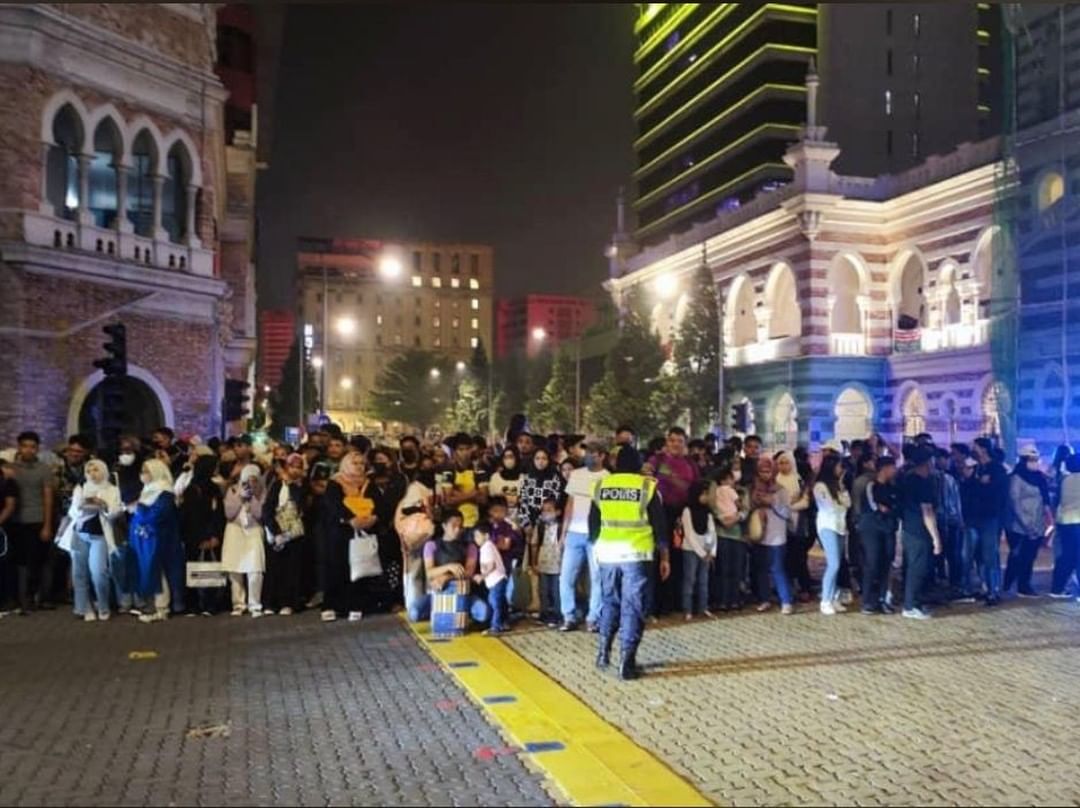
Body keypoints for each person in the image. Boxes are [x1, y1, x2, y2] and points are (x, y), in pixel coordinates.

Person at [589, 447, 669, 681]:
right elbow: (660, 527)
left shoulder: (601, 486)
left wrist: (597, 549)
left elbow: (593, 526)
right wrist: (664, 557)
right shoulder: (647, 487)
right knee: (633, 607)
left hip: (607, 555)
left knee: (609, 602)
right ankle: (627, 662)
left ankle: (603, 654)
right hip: (636, 555)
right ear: (638, 464)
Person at [57, 459, 123, 622]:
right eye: (89, 470)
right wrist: (81, 506)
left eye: (96, 470)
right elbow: (72, 512)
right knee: (79, 573)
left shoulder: (112, 489)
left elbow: (115, 512)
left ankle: (103, 605)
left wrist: (104, 505)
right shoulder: (81, 488)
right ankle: (84, 607)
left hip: (100, 536)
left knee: (99, 573)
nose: (93, 474)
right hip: (79, 534)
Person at [645, 427, 698, 617]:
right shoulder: (656, 461)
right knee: (660, 556)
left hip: (682, 516)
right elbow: (645, 477)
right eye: (672, 440)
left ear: (685, 443)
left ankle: (676, 602)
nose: (676, 444)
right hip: (660, 513)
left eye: (680, 441)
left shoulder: (690, 464)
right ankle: (657, 605)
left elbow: (695, 488)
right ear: (667, 442)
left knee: (680, 558)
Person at [321, 451, 378, 623]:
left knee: (359, 568)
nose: (359, 467)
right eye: (355, 463)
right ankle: (331, 606)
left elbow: (379, 504)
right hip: (340, 532)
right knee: (337, 568)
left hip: (363, 531)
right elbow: (333, 504)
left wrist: (373, 518)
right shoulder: (335, 483)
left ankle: (356, 605)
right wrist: (350, 519)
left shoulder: (368, 484)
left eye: (362, 463)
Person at [558, 440, 609, 632]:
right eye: (587, 452)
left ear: (602, 456)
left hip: (597, 535)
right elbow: (570, 505)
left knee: (597, 578)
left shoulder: (608, 478)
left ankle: (593, 618)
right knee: (566, 577)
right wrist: (563, 534)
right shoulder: (577, 475)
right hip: (574, 534)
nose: (588, 456)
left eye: (593, 453)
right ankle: (568, 616)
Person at [409, 509, 490, 626]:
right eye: (454, 526)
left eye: (460, 526)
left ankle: (462, 613)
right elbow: (429, 573)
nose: (458, 530)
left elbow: (468, 573)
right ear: (444, 526)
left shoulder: (470, 547)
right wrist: (449, 567)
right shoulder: (431, 545)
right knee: (414, 613)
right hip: (438, 594)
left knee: (484, 613)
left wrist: (447, 577)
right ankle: (441, 611)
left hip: (463, 595)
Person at [128, 459, 185, 622]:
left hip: (159, 538)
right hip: (145, 539)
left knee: (159, 572)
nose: (143, 475)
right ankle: (152, 604)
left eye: (146, 471)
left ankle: (162, 607)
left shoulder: (164, 492)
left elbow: (159, 514)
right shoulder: (148, 490)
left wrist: (139, 509)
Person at [9, 431, 56, 613]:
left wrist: (47, 524)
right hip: (15, 520)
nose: (29, 450)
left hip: (36, 519)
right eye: (25, 446)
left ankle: (32, 597)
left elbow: (48, 497)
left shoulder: (44, 470)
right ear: (19, 447)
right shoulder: (12, 469)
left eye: (33, 447)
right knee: (17, 562)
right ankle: (16, 598)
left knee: (35, 562)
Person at [898, 446, 944, 619]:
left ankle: (913, 601)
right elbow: (927, 512)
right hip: (920, 531)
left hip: (909, 528)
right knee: (917, 568)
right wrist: (936, 538)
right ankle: (911, 605)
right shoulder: (922, 483)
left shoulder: (907, 479)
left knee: (911, 566)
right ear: (927, 463)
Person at [179, 453, 226, 616]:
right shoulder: (199, 490)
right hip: (199, 536)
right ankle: (203, 603)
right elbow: (196, 516)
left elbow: (217, 515)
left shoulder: (203, 488)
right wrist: (209, 536)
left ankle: (201, 604)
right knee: (200, 567)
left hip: (199, 536)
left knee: (203, 566)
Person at [1003, 445, 1052, 598]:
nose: (1035, 463)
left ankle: (1024, 584)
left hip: (1036, 523)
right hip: (1019, 525)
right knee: (1017, 556)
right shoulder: (1016, 478)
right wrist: (1026, 524)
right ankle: (1009, 582)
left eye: (1036, 459)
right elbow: (1015, 502)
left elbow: (1045, 500)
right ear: (1024, 460)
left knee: (1030, 556)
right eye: (1032, 460)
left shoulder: (1039, 477)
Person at [262, 454, 308, 615]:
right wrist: (274, 530)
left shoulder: (302, 486)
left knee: (292, 570)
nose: (295, 470)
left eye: (299, 466)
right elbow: (267, 508)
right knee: (274, 568)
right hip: (277, 532)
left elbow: (301, 505)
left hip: (294, 533)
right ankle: (270, 603)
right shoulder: (276, 485)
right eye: (292, 466)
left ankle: (288, 602)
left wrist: (293, 484)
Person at [750, 456, 794, 615]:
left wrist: (773, 503)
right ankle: (764, 598)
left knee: (777, 568)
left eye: (768, 471)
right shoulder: (754, 488)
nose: (765, 474)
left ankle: (786, 600)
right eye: (762, 471)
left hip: (776, 534)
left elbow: (787, 512)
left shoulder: (781, 490)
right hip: (759, 533)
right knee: (761, 569)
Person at [222, 464, 268, 618]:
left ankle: (255, 604)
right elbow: (229, 514)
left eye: (254, 479)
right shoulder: (233, 490)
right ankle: (238, 604)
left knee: (255, 569)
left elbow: (260, 514)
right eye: (248, 479)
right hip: (235, 531)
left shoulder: (262, 492)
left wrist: (254, 497)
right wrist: (239, 498)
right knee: (235, 569)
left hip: (254, 530)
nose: (250, 483)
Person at [969, 437, 1008, 606]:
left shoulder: (997, 469)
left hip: (990, 517)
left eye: (975, 447)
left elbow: (1000, 494)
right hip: (976, 516)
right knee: (978, 554)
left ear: (984, 449)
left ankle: (994, 590)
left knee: (990, 554)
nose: (973, 450)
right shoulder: (977, 468)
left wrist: (983, 485)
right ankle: (985, 587)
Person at [859, 456, 900, 614]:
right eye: (892, 467)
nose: (895, 470)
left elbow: (895, 506)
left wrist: (890, 509)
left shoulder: (893, 487)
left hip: (888, 529)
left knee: (886, 562)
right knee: (872, 562)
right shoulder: (871, 486)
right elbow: (876, 506)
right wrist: (887, 509)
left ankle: (883, 598)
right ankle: (868, 600)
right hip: (872, 529)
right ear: (884, 468)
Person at [814, 453, 851, 616]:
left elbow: (847, 504)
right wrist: (841, 503)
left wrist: (841, 495)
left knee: (838, 563)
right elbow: (830, 506)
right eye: (838, 466)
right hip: (827, 526)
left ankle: (834, 596)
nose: (841, 469)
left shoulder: (839, 485)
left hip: (840, 526)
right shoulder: (820, 486)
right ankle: (825, 600)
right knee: (833, 563)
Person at [776, 451, 813, 600]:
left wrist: (789, 507)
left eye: (786, 462)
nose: (783, 466)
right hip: (780, 524)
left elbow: (805, 502)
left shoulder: (799, 480)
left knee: (800, 556)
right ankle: (788, 588)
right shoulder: (775, 480)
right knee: (785, 558)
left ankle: (804, 587)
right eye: (780, 463)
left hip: (798, 523)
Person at [711, 464, 748, 611]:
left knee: (723, 569)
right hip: (735, 534)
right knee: (736, 569)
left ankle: (723, 600)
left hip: (722, 533)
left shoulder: (715, 493)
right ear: (727, 479)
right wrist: (738, 515)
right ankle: (734, 600)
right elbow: (741, 506)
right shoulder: (731, 491)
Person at [680, 479, 716, 620]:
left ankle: (703, 607)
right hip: (690, 550)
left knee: (703, 580)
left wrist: (711, 551)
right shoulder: (687, 510)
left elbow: (711, 531)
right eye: (704, 494)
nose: (706, 497)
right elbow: (689, 534)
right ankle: (687, 609)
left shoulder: (707, 512)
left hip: (706, 551)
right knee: (690, 580)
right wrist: (701, 553)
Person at [487, 495, 525, 617]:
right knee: (492, 593)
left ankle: (502, 619)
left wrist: (491, 545)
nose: (498, 514)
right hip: (489, 566)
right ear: (489, 511)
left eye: (502, 511)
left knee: (501, 592)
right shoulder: (487, 526)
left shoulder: (508, 527)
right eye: (495, 511)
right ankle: (494, 618)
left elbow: (505, 546)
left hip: (504, 565)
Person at [440, 434, 487, 530]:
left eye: (467, 449)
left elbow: (484, 499)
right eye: (461, 449)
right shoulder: (448, 471)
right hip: (453, 525)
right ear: (455, 452)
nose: (465, 453)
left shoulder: (479, 471)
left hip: (474, 523)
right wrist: (473, 494)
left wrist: (457, 494)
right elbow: (448, 501)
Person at [528, 497, 562, 626]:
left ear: (558, 512)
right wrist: (534, 562)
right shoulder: (540, 527)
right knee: (543, 590)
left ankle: (557, 615)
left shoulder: (561, 527)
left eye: (549, 510)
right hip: (543, 564)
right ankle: (544, 614)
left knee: (556, 591)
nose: (545, 513)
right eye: (544, 510)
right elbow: (534, 545)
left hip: (557, 565)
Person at [1050, 453, 1080, 599]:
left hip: (1065, 522)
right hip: (1078, 521)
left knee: (1067, 556)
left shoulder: (1065, 480)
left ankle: (1057, 588)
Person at [473, 521, 508, 634]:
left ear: (486, 536)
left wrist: (482, 576)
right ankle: (503, 622)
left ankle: (495, 627)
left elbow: (491, 566)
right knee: (499, 602)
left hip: (496, 580)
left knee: (495, 603)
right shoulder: (487, 546)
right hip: (497, 580)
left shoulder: (487, 547)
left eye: (478, 536)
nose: (476, 539)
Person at [519, 446, 563, 530]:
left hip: (548, 522)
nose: (540, 461)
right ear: (533, 460)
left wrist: (541, 521)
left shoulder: (555, 478)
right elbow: (523, 500)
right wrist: (526, 523)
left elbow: (554, 501)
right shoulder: (527, 478)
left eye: (544, 458)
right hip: (528, 521)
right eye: (537, 458)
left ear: (549, 460)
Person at [488, 447, 525, 526]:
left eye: (511, 457)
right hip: (499, 517)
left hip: (519, 518)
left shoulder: (524, 478)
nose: (508, 460)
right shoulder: (495, 477)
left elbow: (524, 499)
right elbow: (492, 498)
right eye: (505, 457)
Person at [0, 459, 18, 613]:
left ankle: (8, 600)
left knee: (5, 565)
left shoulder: (8, 483)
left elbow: (10, 506)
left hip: (3, 530)